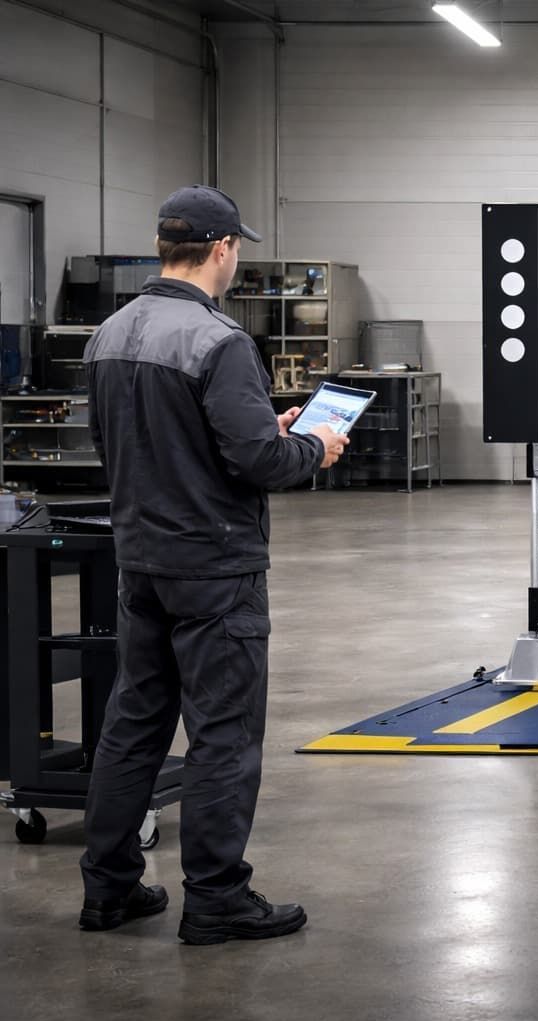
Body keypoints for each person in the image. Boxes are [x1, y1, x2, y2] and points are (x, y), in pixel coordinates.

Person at [76, 185, 348, 945]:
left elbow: (142, 443)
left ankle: (109, 889)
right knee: (223, 733)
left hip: (141, 560)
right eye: (239, 249)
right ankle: (218, 897)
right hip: (215, 568)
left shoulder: (110, 334)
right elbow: (261, 462)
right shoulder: (218, 341)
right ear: (223, 249)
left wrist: (268, 426)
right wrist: (312, 447)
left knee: (134, 723)